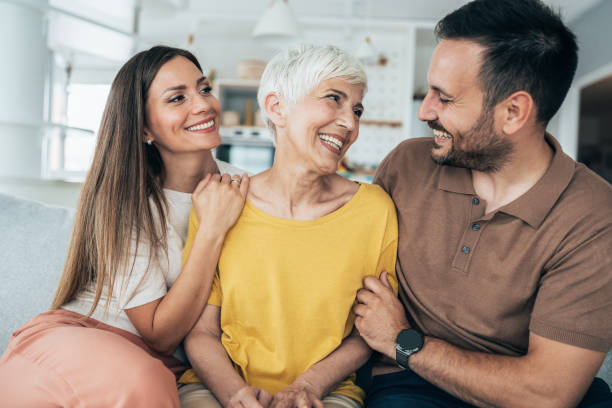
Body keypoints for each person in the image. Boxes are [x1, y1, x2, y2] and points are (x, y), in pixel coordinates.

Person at [353, 0, 612, 407]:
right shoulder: (407, 164)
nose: (424, 111)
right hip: (408, 386)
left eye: (445, 97)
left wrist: (403, 342)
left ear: (513, 112)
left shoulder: (594, 217)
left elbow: (548, 394)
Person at [0, 45, 249, 407]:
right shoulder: (128, 200)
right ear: (146, 128)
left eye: (204, 89)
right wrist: (211, 230)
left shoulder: (247, 187)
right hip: (77, 342)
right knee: (141, 379)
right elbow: (159, 334)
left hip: (157, 367)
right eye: (178, 98)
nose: (203, 105)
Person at [177, 44, 399, 408]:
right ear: (277, 107)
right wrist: (234, 395)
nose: (350, 123)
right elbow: (201, 333)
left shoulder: (375, 211)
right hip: (216, 387)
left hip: (327, 392)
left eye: (357, 109)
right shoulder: (222, 204)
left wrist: (309, 386)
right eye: (334, 99)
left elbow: (369, 333)